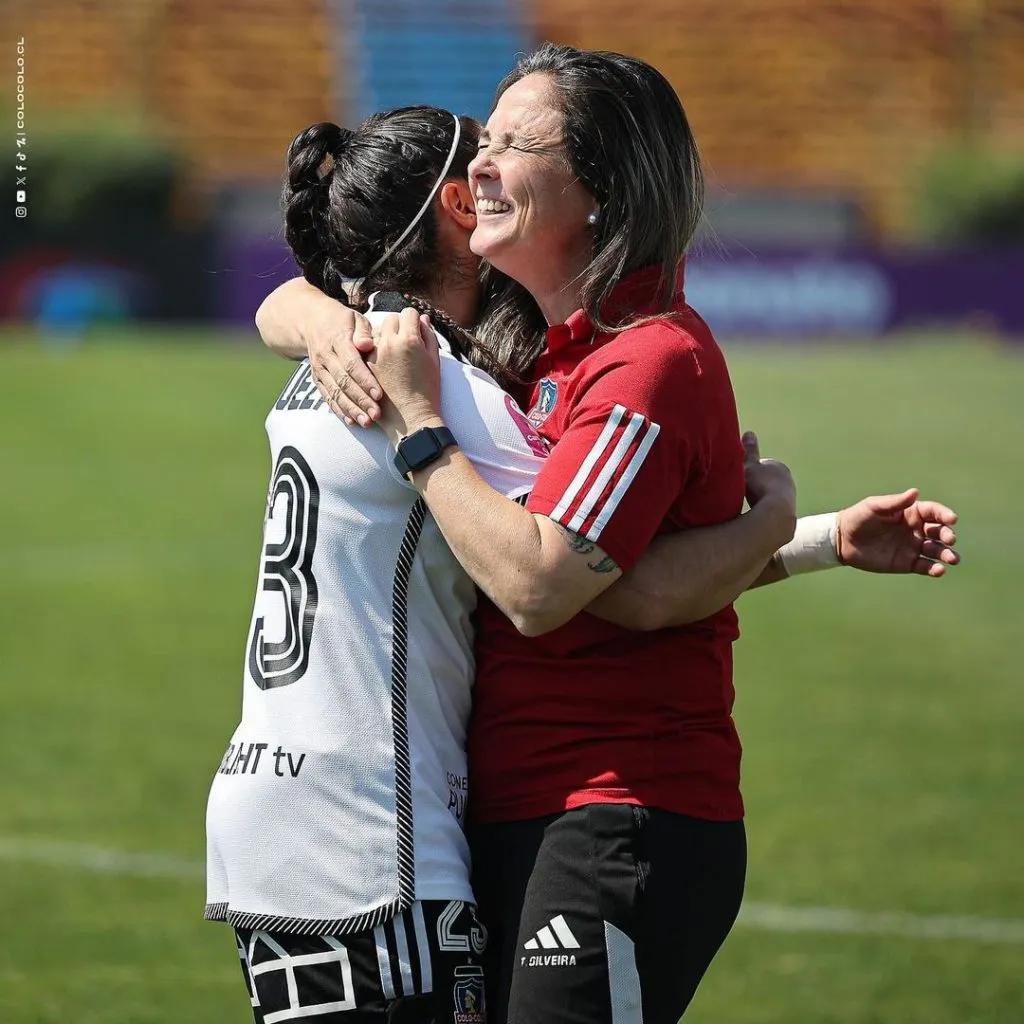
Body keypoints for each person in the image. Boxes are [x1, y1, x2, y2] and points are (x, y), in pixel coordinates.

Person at [254, 44, 960, 1024]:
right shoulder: (534, 361)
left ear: (599, 185)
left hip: (615, 805)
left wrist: (415, 432)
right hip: (502, 817)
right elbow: (615, 571)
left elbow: (554, 583)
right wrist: (793, 529)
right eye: (480, 143)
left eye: (510, 144)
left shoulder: (646, 361)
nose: (479, 171)